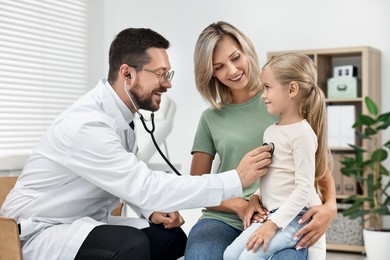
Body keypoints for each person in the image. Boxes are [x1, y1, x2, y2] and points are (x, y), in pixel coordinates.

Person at [0, 28, 272, 260]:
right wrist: (236, 178)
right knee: (132, 245)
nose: (167, 84)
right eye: (160, 74)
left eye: (169, 74)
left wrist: (151, 211)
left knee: (172, 239)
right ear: (127, 74)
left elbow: (127, 181)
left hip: (83, 221)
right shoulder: (88, 125)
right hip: (37, 232)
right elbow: (144, 186)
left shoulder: (122, 116)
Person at [185, 21, 337, 260]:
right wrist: (240, 205)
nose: (232, 70)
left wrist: (330, 207)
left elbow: (316, 165)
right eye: (220, 66)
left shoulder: (281, 100)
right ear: (210, 72)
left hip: (281, 215)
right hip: (223, 219)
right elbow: (197, 186)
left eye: (236, 57)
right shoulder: (210, 118)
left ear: (246, 50)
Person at [223, 53, 330, 259]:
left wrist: (272, 225)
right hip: (273, 214)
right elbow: (273, 177)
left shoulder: (302, 135)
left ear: (292, 89)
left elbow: (303, 189)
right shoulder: (271, 131)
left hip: (296, 218)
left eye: (268, 87)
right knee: (229, 255)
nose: (263, 95)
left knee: (248, 257)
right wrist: (257, 197)